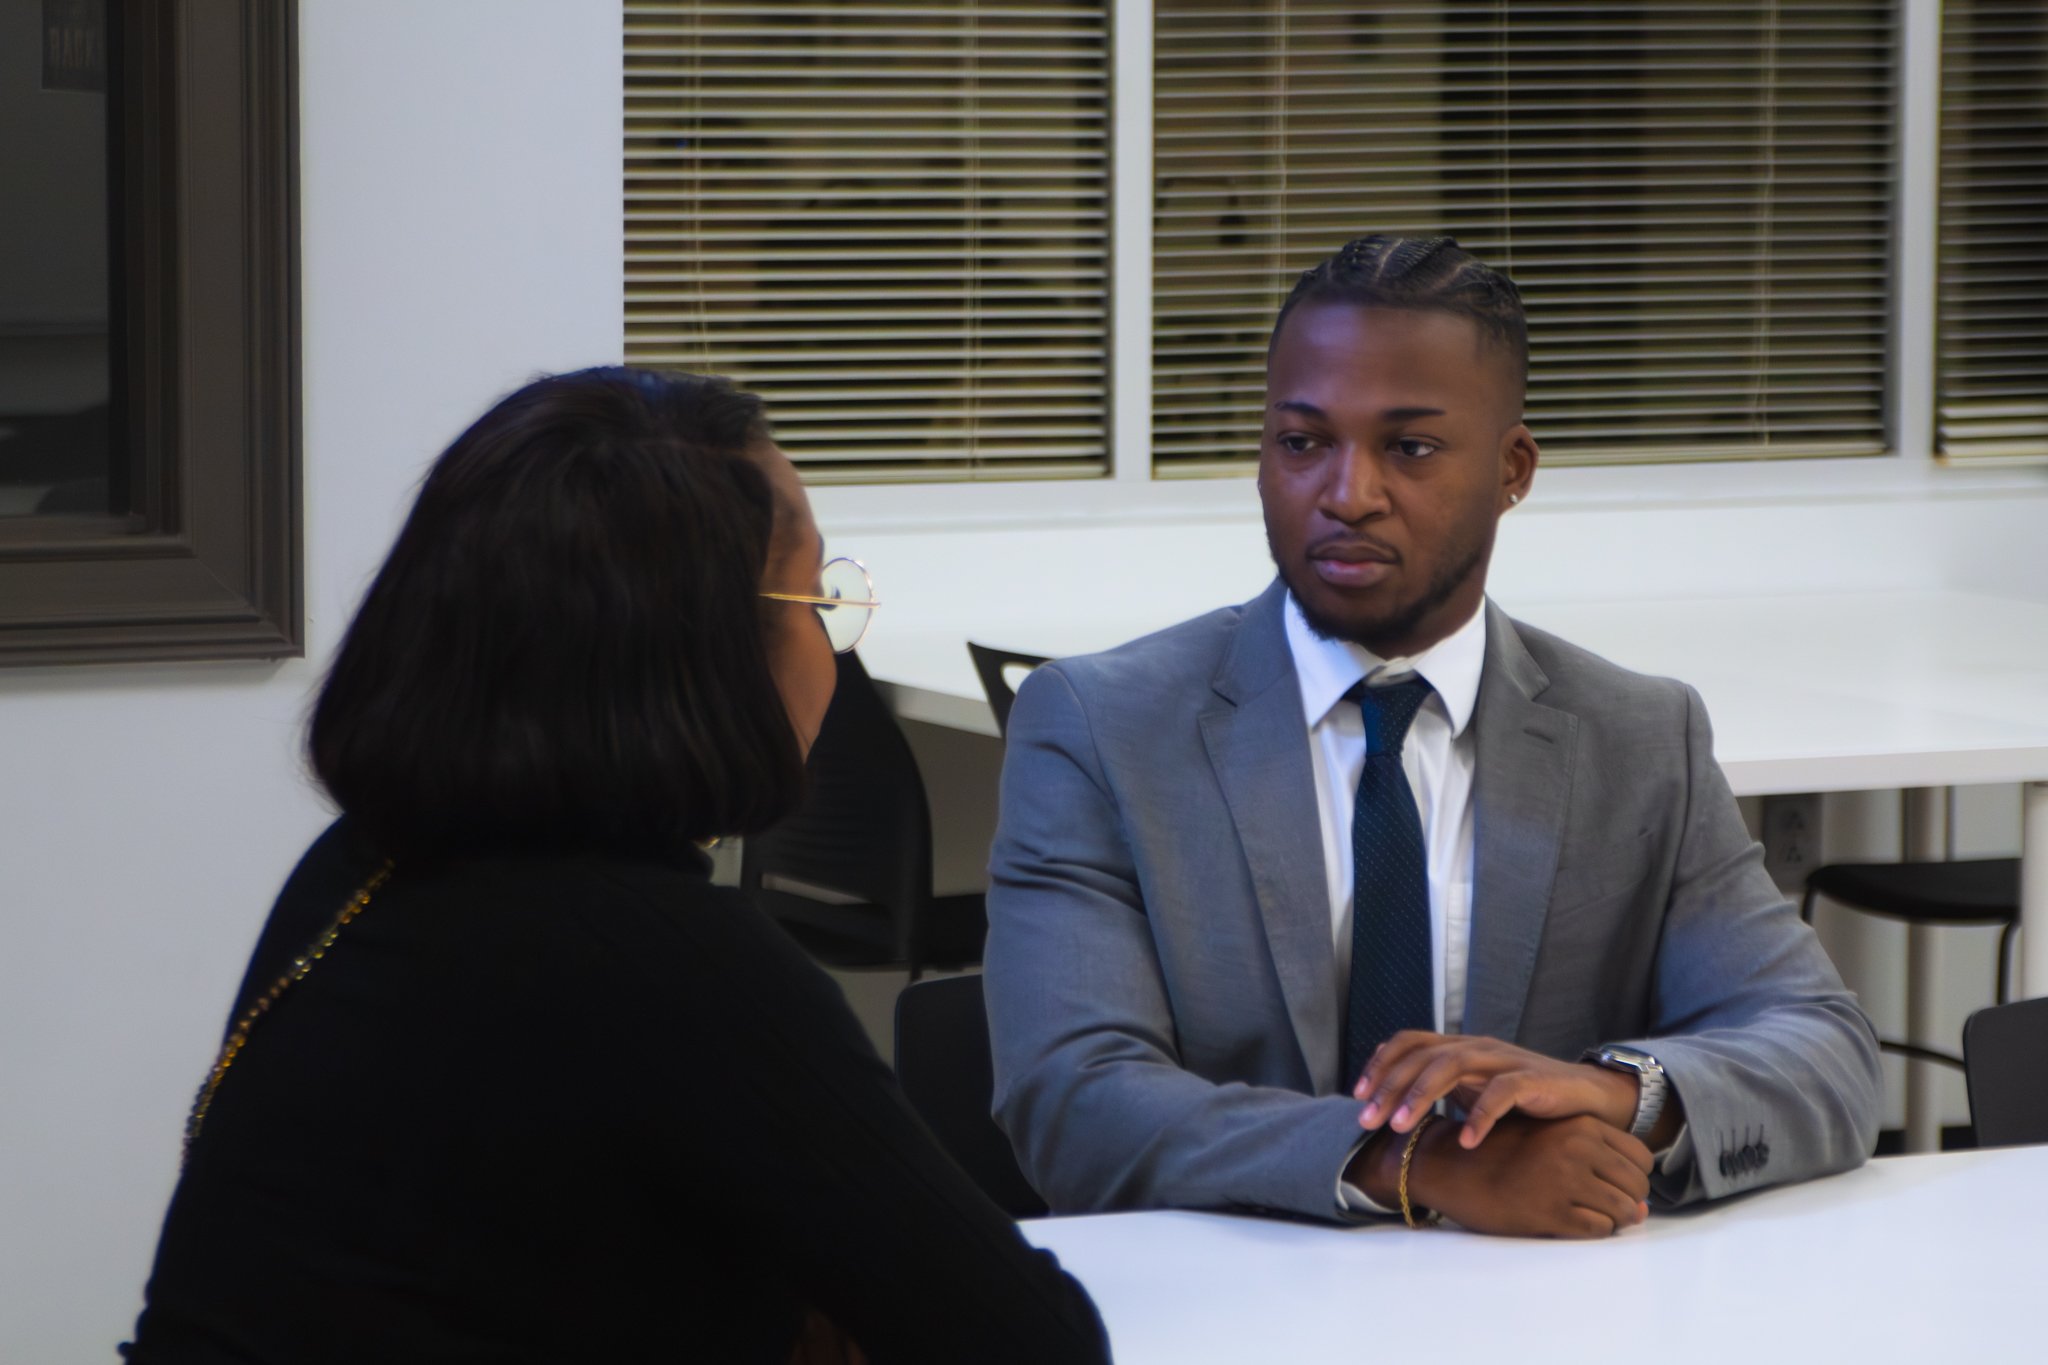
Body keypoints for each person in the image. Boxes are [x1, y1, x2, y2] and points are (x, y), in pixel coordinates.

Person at [127, 368, 1110, 1363]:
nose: (831, 640)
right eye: (817, 598)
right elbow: (1027, 1341)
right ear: (701, 652)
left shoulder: (358, 868)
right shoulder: (672, 962)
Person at [984, 235, 1882, 1238]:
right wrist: (1414, 1166)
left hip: (1542, 1311)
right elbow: (1070, 1100)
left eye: (1406, 448)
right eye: (1300, 442)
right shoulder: (1102, 726)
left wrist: (1612, 1094)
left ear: (1512, 470)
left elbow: (1825, 1052)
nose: (1346, 492)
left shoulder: (1635, 736)